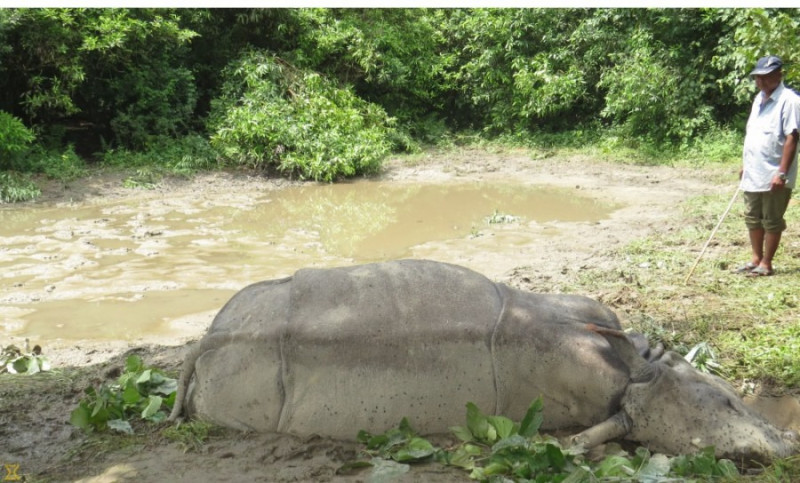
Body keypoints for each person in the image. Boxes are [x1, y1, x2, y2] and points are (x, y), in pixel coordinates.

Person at [737, 55, 800, 276]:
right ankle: (755, 258)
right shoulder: (758, 99)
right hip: (754, 171)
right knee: (752, 216)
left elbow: (792, 137)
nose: (761, 82)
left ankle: (767, 262)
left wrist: (782, 173)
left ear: (779, 75)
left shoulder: (790, 100)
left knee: (771, 219)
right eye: (757, 78)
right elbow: (754, 134)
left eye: (766, 78)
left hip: (774, 171)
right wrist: (746, 163)